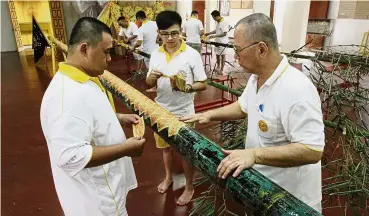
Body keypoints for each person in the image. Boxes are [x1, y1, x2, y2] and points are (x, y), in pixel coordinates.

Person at [181, 13, 324, 213]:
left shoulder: (296, 89)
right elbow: (242, 107)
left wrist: (254, 155)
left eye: (238, 50)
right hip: (263, 189)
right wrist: (209, 115)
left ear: (262, 49)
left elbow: (312, 150)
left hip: (291, 201)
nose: (236, 57)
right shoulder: (256, 78)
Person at [40, 17, 146, 216]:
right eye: (106, 52)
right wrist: (126, 148)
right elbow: (70, 157)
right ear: (84, 49)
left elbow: (90, 114)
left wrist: (118, 117)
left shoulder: (85, 78)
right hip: (97, 203)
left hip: (107, 190)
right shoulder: (66, 97)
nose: (109, 59)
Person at [146, 11, 207, 206]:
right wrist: (152, 78)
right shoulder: (156, 54)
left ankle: (189, 186)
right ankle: (168, 177)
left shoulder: (192, 55)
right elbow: (148, 81)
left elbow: (203, 84)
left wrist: (187, 87)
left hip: (184, 112)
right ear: (159, 33)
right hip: (161, 109)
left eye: (174, 33)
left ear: (181, 30)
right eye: (165, 34)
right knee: (165, 149)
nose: (170, 38)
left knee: (186, 152)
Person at [133, 10, 159, 93]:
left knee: (152, 71)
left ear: (139, 18)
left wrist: (133, 47)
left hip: (148, 53)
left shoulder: (141, 29)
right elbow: (161, 32)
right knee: (158, 68)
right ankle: (159, 85)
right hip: (157, 51)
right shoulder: (155, 23)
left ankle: (155, 87)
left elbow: (139, 42)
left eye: (137, 20)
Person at [205, 10, 229, 74]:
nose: (214, 19)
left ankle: (221, 69)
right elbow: (217, 30)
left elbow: (224, 33)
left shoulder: (224, 22)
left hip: (223, 42)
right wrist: (209, 33)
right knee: (217, 55)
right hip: (217, 42)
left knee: (222, 56)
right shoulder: (218, 22)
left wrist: (215, 36)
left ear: (217, 16)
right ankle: (218, 67)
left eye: (214, 18)